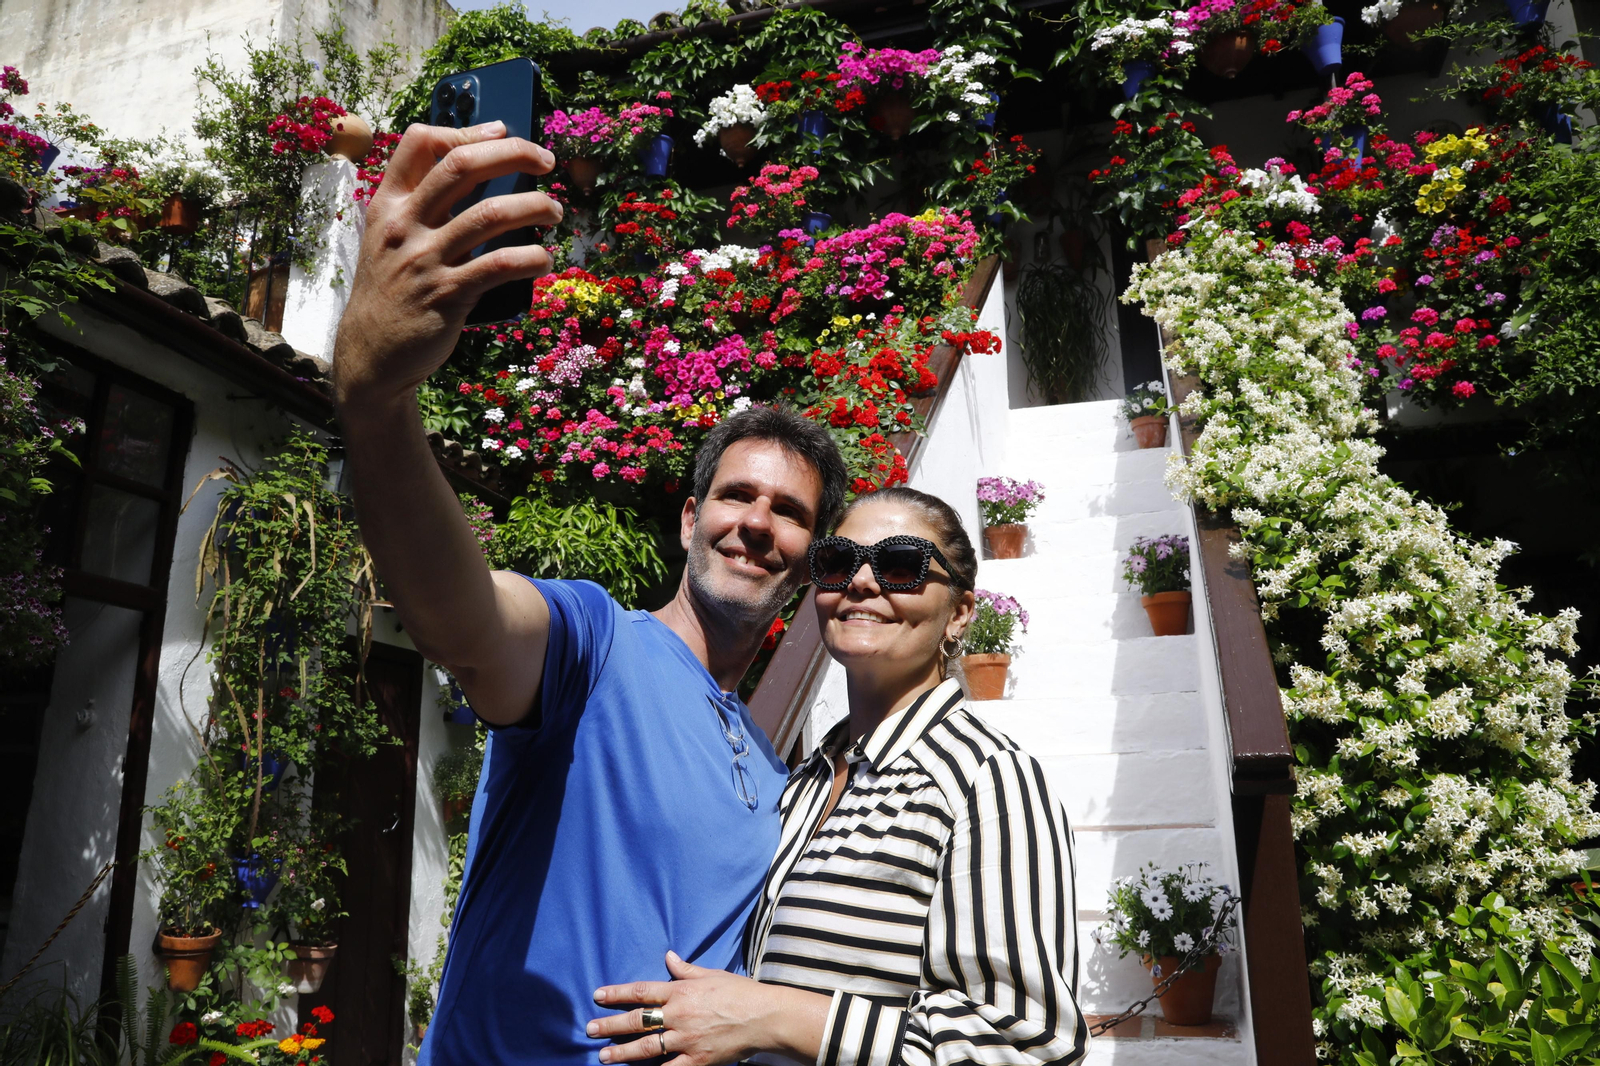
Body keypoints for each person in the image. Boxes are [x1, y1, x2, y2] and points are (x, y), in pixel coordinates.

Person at [330, 119, 849, 1065]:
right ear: (687, 520)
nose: (755, 522)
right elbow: (467, 620)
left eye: (788, 511)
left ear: (809, 559)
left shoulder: (773, 770)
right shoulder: (596, 645)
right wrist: (375, 404)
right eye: (735, 495)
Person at [589, 486, 1089, 1066]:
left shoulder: (987, 780)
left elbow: (1029, 1043)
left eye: (900, 565)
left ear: (959, 612)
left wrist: (768, 1015)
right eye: (836, 562)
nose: (861, 581)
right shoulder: (802, 780)